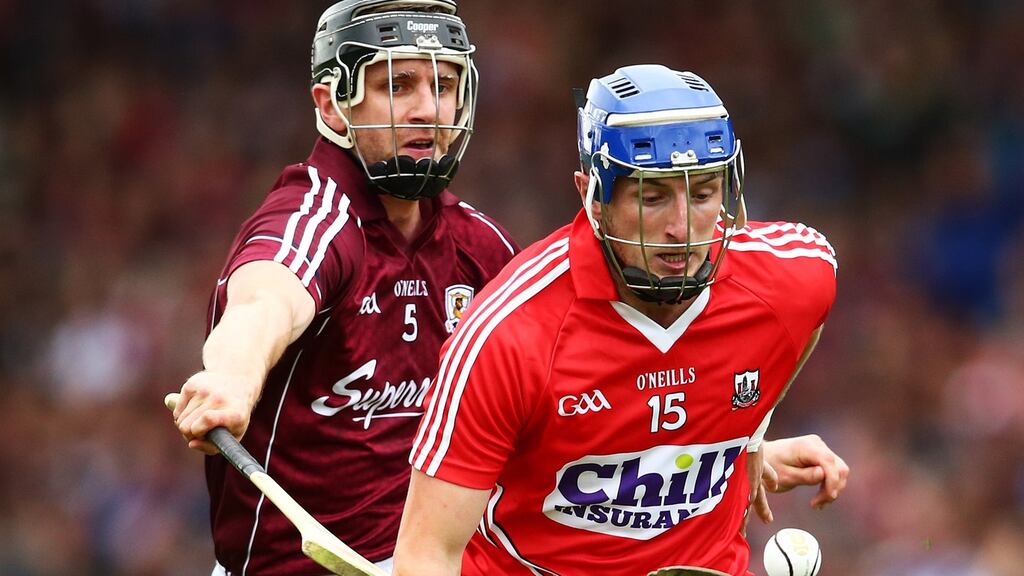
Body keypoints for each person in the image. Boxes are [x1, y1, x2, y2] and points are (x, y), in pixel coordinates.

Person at [396, 64, 843, 575]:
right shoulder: (507, 335)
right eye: (652, 197)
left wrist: (753, 432)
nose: (682, 228)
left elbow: (811, 306)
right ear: (593, 197)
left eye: (703, 194)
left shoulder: (789, 279)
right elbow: (426, 552)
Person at [168, 1, 519, 574]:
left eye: (444, 85)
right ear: (332, 104)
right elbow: (264, 301)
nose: (428, 109)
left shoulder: (481, 247)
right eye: (396, 85)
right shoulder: (313, 220)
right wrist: (233, 378)